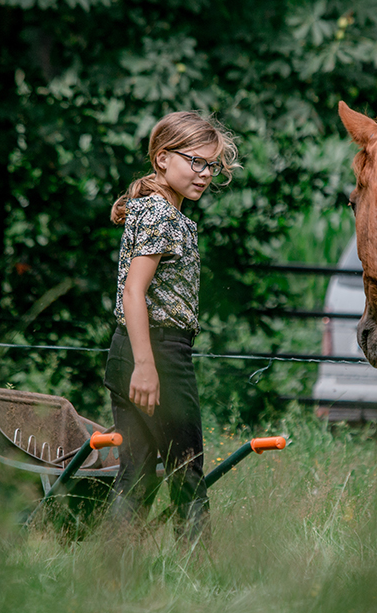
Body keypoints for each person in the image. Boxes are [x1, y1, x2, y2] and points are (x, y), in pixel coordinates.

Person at [104, 110, 238, 542]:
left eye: (212, 166)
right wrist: (147, 366)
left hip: (130, 350)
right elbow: (133, 292)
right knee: (187, 470)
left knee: (137, 478)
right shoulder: (160, 214)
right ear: (162, 159)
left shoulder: (159, 211)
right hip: (156, 352)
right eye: (195, 161)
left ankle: (112, 575)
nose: (205, 174)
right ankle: (199, 576)